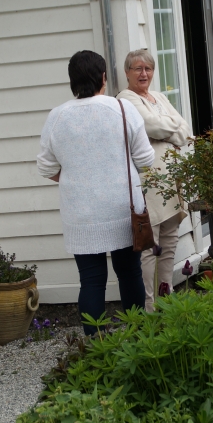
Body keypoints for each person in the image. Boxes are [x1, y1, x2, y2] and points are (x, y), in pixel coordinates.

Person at [37, 50, 154, 334]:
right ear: (103, 77)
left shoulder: (57, 116)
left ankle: (96, 346)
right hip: (123, 209)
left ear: (72, 80)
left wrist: (77, 179)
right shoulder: (123, 109)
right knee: (130, 274)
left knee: (90, 280)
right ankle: (137, 337)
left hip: (81, 214)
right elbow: (146, 160)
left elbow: (46, 167)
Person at [116, 49, 193, 312]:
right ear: (127, 72)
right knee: (150, 245)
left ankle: (166, 299)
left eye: (148, 68)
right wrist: (171, 128)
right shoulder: (126, 98)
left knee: (170, 241)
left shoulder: (159, 97)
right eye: (137, 68)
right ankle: (149, 306)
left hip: (171, 182)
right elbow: (151, 126)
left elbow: (185, 130)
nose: (144, 74)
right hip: (148, 183)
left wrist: (168, 130)